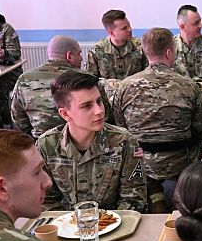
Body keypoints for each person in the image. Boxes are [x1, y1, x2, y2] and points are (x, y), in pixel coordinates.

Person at [112, 27, 202, 211]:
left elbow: (121, 127)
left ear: (144, 51)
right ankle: (182, 199)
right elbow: (200, 126)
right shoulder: (189, 86)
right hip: (180, 160)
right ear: (169, 52)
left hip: (140, 162)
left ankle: (155, 197)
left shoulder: (125, 87)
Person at [37, 71, 147, 211]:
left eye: (99, 101)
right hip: (66, 226)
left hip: (115, 224)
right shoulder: (46, 145)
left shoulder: (124, 141)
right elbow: (45, 200)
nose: (99, 111)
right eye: (87, 106)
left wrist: (104, 225)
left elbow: (133, 197)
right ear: (65, 114)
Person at [12, 35, 106, 139]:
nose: (81, 58)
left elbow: (18, 118)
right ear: (69, 56)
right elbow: (104, 115)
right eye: (79, 54)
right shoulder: (87, 79)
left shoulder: (24, 79)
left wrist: (38, 134)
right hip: (83, 142)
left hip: (41, 143)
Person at [86, 9, 146, 80]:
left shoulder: (141, 47)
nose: (130, 29)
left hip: (134, 90)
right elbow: (90, 79)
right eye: (124, 28)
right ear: (111, 33)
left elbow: (148, 74)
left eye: (129, 25)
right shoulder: (97, 50)